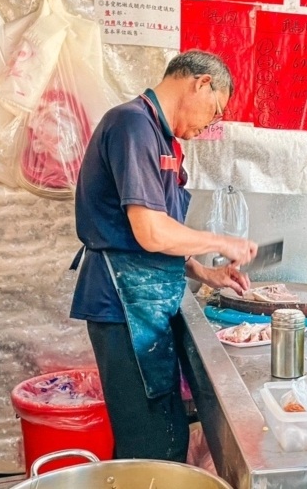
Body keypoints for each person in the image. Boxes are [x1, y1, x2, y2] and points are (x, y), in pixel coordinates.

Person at [69, 50, 258, 462]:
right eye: (215, 110)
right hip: (122, 305)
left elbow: (155, 234)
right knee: (149, 441)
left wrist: (204, 273)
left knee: (160, 432)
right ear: (201, 83)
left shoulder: (159, 136)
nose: (210, 124)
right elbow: (150, 231)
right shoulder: (132, 124)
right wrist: (220, 240)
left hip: (145, 302)